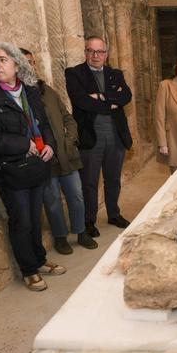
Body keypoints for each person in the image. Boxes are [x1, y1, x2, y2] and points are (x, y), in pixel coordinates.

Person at [0, 42, 66, 292]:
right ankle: (28, 270)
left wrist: (50, 145)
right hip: (8, 169)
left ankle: (39, 260)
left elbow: (44, 124)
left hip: (35, 166)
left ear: (17, 65)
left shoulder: (30, 91)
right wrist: (22, 144)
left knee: (34, 217)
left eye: (3, 59)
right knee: (21, 220)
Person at [21, 48, 97, 255]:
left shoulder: (48, 92)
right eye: (24, 62)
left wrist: (70, 139)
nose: (30, 66)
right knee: (52, 199)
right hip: (44, 159)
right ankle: (60, 237)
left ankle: (81, 232)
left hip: (66, 154)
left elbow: (68, 118)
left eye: (32, 62)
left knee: (76, 195)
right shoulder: (19, 97)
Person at [65, 36, 133, 234]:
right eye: (91, 51)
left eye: (100, 52)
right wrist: (111, 101)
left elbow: (126, 96)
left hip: (115, 136)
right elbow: (81, 102)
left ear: (106, 54)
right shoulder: (74, 74)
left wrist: (100, 97)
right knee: (89, 182)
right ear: (85, 52)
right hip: (90, 137)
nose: (95, 56)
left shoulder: (115, 73)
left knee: (113, 179)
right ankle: (89, 220)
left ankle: (113, 214)